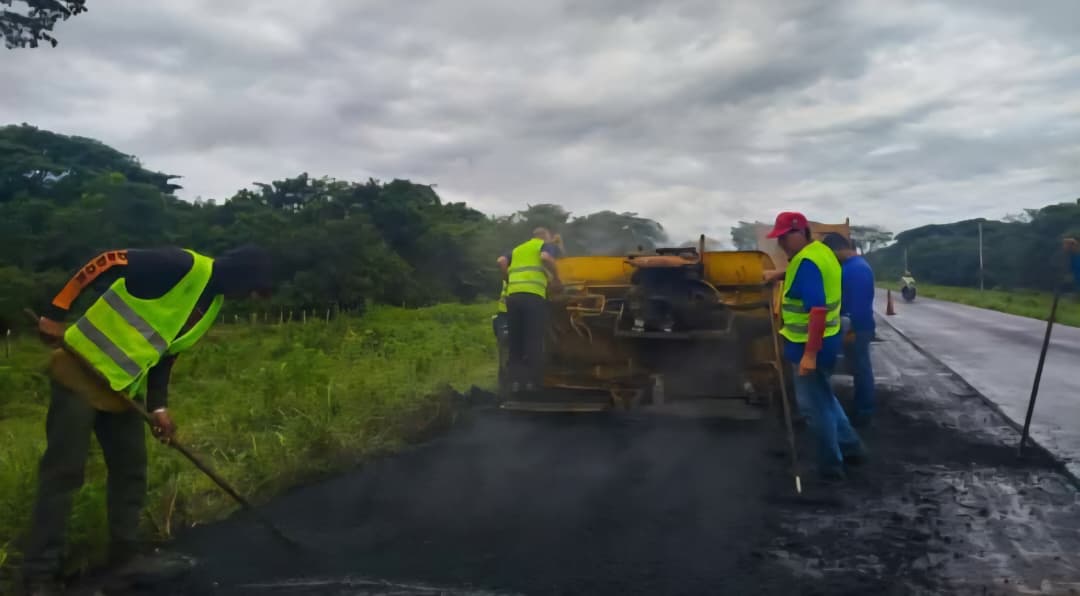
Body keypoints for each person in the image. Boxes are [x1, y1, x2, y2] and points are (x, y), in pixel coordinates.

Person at [21, 245, 273, 595]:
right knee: (64, 473)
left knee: (132, 470)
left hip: (123, 389)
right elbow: (105, 261)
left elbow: (164, 355)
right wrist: (56, 310)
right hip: (79, 372)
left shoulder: (211, 305)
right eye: (249, 289)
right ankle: (38, 574)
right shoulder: (179, 265)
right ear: (239, 275)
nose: (246, 297)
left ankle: (124, 559)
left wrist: (159, 408)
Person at [763, 212, 865, 481]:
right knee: (825, 396)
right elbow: (806, 272)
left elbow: (817, 310)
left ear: (799, 233)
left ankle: (830, 468)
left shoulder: (806, 262)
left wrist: (809, 355)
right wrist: (777, 274)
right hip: (828, 340)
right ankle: (852, 447)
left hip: (810, 344)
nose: (781, 244)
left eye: (784, 238)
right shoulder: (820, 251)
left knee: (813, 407)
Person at [496, 228, 561, 393]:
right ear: (545, 237)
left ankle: (516, 383)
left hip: (513, 297)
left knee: (515, 340)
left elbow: (500, 261)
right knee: (533, 339)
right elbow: (545, 258)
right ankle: (533, 383)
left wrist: (508, 279)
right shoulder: (544, 246)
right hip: (533, 297)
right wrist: (556, 278)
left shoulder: (518, 249)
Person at [822, 233, 876, 427]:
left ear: (837, 249)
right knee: (858, 368)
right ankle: (861, 408)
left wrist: (851, 329)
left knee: (861, 369)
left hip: (858, 328)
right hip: (857, 326)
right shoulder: (852, 267)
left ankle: (864, 412)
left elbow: (859, 304)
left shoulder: (857, 269)